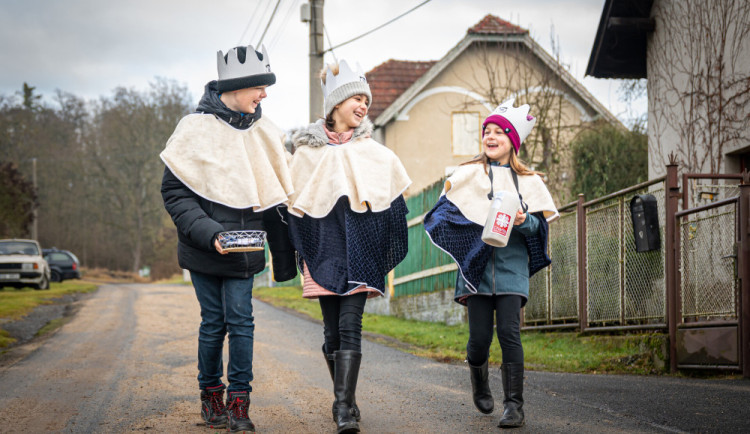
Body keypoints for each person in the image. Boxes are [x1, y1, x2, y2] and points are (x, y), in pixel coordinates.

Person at [160, 45, 296, 433]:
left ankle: (239, 402)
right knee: (213, 322)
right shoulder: (194, 128)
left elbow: (277, 198)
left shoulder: (265, 132)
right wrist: (209, 233)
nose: (265, 95)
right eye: (260, 87)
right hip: (204, 247)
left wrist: (288, 253)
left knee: (242, 320)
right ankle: (210, 395)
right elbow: (175, 194)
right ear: (237, 86)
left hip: (247, 250)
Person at [286, 60, 411, 434]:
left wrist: (379, 247)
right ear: (336, 104)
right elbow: (292, 208)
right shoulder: (305, 154)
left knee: (350, 324)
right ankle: (348, 399)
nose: (363, 106)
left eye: (365, 100)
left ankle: (342, 407)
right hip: (323, 250)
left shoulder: (375, 153)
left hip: (359, 250)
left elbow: (395, 204)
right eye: (356, 98)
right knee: (330, 333)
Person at [424, 99, 558, 428]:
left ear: (513, 140)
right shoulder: (468, 174)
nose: (491, 136)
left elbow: (539, 228)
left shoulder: (528, 180)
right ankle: (480, 382)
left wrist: (524, 219)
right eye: (488, 131)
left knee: (510, 334)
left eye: (499, 131)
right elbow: (443, 213)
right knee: (479, 339)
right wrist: (467, 225)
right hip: (476, 270)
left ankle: (514, 405)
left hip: (512, 269)